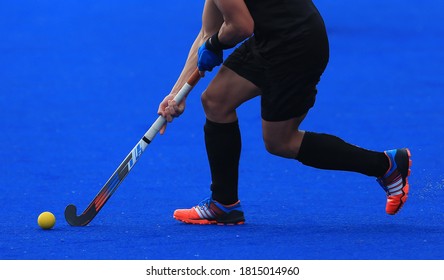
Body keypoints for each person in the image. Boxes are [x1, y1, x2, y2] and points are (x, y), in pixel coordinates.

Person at [157, 0, 411, 225]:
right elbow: (207, 32)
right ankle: (223, 204)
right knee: (216, 101)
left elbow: (240, 26)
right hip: (273, 37)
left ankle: (385, 165)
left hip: (297, 45)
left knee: (281, 142)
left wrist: (215, 43)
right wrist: (176, 94)